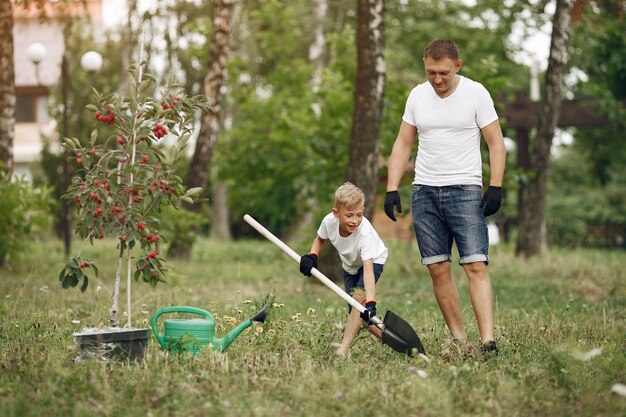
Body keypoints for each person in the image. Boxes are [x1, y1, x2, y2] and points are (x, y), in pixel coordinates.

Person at [384, 39, 506, 357]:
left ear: (458, 66)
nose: (437, 80)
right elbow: (402, 143)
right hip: (425, 192)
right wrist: (392, 187)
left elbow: (495, 142)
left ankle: (488, 342)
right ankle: (460, 340)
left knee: (475, 265)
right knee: (438, 268)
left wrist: (495, 185)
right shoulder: (417, 95)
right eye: (431, 73)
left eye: (443, 73)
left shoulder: (476, 94)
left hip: (465, 190)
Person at [299, 182, 388, 357]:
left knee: (359, 302)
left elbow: (368, 270)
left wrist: (371, 302)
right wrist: (312, 256)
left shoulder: (364, 233)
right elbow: (320, 239)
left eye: (359, 215)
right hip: (350, 266)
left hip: (373, 260)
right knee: (358, 315)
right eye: (349, 215)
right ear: (336, 213)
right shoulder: (328, 222)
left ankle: (342, 350)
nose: (355, 220)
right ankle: (390, 340)